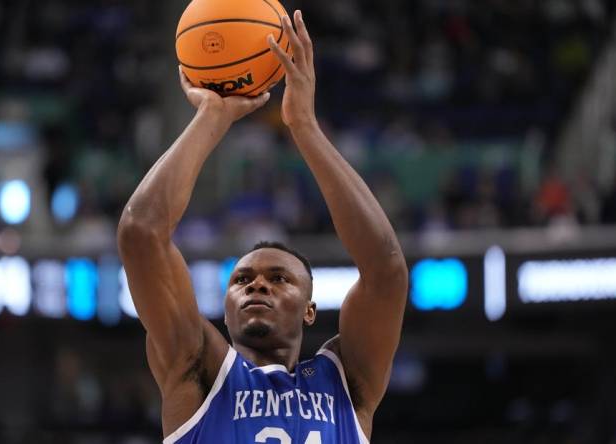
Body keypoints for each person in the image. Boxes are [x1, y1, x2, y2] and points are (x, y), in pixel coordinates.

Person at [117, 11, 407, 443]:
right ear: (226, 303)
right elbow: (141, 233)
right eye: (242, 280)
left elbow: (385, 269)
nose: (257, 286)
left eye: (279, 279)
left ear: (310, 309)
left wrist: (305, 128)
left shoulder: (349, 384)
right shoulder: (198, 370)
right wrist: (211, 118)